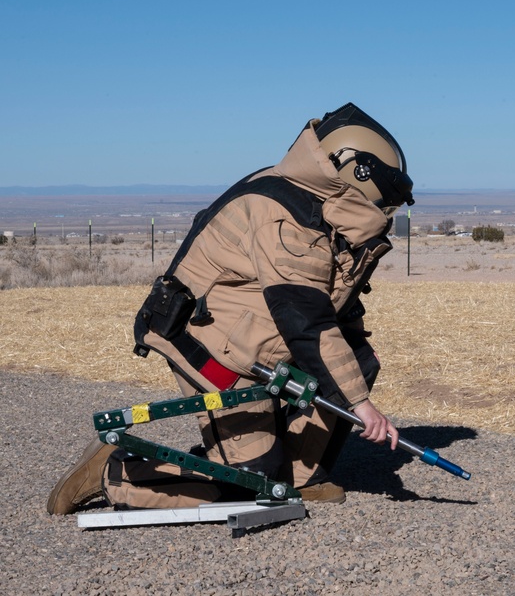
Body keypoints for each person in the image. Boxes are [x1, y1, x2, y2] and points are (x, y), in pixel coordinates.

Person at [47, 103, 415, 513]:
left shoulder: (313, 200)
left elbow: (332, 300)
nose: (388, 206)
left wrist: (356, 365)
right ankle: (118, 475)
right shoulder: (292, 220)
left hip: (251, 338)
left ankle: (300, 474)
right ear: (357, 173)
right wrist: (360, 404)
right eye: (387, 192)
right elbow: (304, 319)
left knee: (357, 360)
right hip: (210, 345)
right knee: (254, 485)